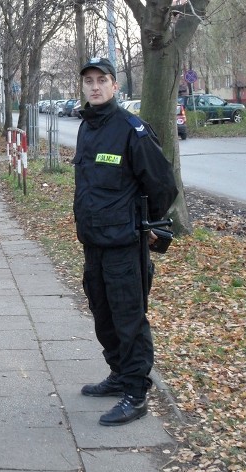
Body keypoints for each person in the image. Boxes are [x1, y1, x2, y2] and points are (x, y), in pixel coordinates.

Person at [73, 58, 178, 426]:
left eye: (102, 80)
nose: (95, 87)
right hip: (93, 243)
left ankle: (136, 393)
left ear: (115, 86)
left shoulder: (131, 129)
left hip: (123, 245)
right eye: (89, 81)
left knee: (129, 319)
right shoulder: (87, 127)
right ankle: (119, 374)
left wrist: (147, 223)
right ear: (83, 87)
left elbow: (163, 183)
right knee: (103, 314)